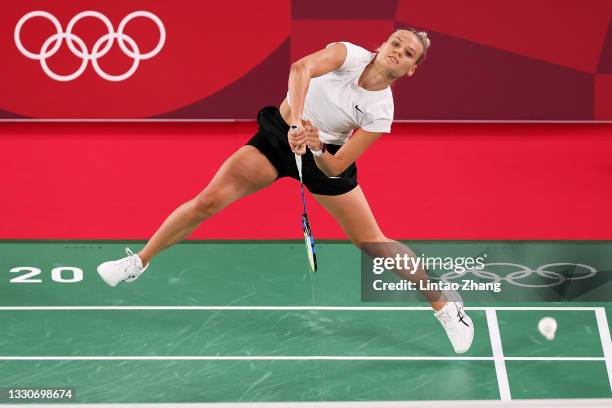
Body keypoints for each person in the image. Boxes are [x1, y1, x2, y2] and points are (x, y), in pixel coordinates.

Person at [97, 29, 474, 353]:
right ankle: (138, 263)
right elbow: (302, 69)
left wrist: (315, 145)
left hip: (321, 155)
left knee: (371, 241)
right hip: (281, 135)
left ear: (410, 69)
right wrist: (296, 124)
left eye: (408, 53)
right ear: (381, 45)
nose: (397, 51)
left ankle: (444, 305)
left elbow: (337, 166)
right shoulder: (348, 55)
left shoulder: (380, 110)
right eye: (395, 42)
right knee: (207, 201)